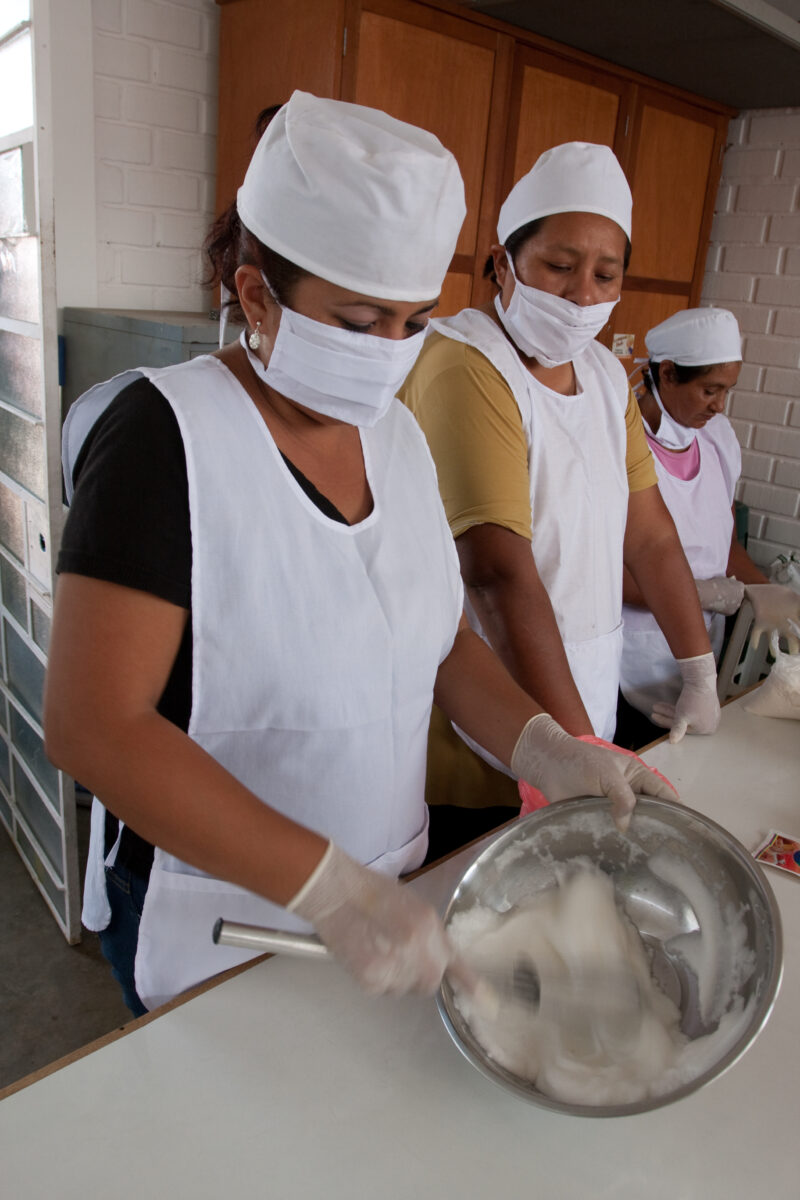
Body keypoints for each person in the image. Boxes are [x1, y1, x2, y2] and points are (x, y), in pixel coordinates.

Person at [44, 96, 673, 1017]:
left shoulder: (397, 436)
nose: (389, 353)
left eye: (414, 323)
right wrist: (327, 887)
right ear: (256, 295)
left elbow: (440, 640)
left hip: (394, 899)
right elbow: (94, 726)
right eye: (359, 320)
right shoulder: (162, 436)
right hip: (222, 921)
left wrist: (548, 748)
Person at [400, 141, 716, 835]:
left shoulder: (603, 375)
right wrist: (577, 752)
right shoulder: (467, 366)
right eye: (560, 266)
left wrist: (699, 668)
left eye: (606, 274)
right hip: (485, 734)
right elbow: (495, 573)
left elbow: (650, 534)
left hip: (582, 712)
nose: (582, 296)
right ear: (501, 264)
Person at [617, 306, 800, 747]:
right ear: (666, 373)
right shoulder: (619, 446)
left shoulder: (717, 439)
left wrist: (763, 591)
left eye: (727, 391)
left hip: (699, 651)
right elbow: (598, 571)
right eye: (709, 390)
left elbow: (725, 542)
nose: (719, 405)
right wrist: (697, 593)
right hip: (629, 662)